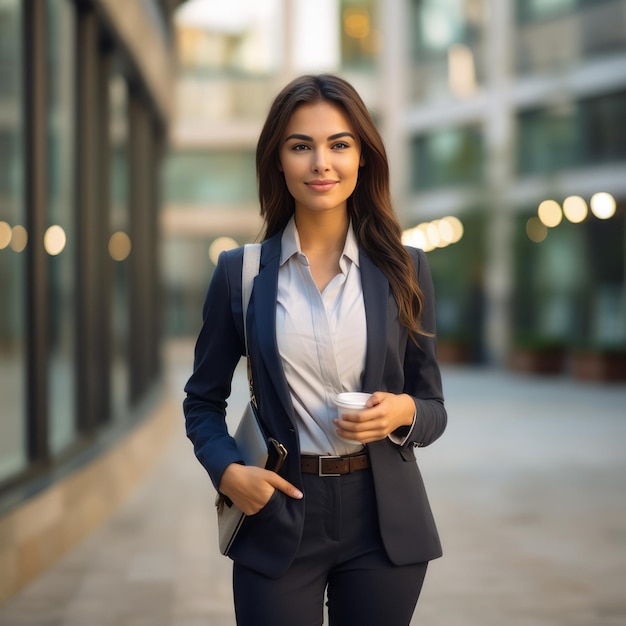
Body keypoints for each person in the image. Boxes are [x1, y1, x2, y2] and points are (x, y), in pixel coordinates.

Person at [184, 74, 447, 626]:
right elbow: (201, 401)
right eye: (301, 145)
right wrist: (227, 470)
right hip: (279, 511)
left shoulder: (406, 269)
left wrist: (404, 413)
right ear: (278, 161)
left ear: (363, 158)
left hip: (383, 521)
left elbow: (433, 408)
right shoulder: (242, 273)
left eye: (339, 144)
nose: (320, 162)